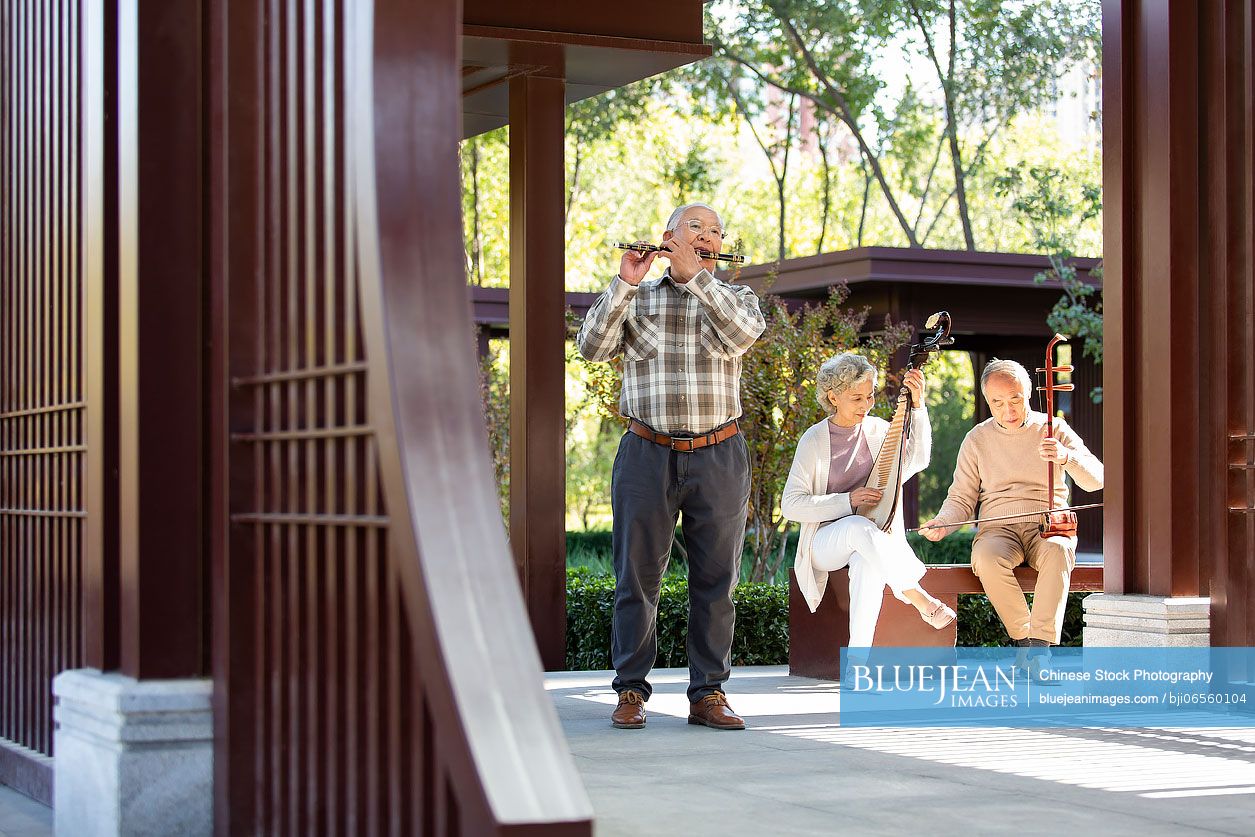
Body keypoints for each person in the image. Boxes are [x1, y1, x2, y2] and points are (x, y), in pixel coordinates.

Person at [576, 202, 766, 731]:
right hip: (646, 452)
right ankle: (631, 691)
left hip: (719, 453)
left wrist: (696, 280)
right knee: (635, 577)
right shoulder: (636, 298)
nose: (708, 236)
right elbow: (591, 348)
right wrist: (623, 284)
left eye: (715, 232)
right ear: (668, 238)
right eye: (696, 228)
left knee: (717, 580)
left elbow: (746, 334)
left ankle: (708, 693)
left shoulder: (736, 299)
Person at [919, 358, 1104, 651]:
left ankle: (1038, 651)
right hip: (998, 529)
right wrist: (943, 523)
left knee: (1059, 550)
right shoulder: (977, 438)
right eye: (998, 402)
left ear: (1028, 392)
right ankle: (1025, 639)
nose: (1009, 410)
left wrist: (1066, 457)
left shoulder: (1054, 428)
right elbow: (961, 498)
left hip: (1048, 526)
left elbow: (1097, 480)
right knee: (986, 558)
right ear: (987, 401)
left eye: (1015, 399)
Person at [781, 353, 956, 657]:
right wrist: (847, 500)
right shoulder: (813, 440)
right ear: (833, 397)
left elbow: (916, 460)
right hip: (823, 545)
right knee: (857, 526)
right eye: (856, 398)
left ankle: (858, 663)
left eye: (871, 395)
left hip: (869, 541)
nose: (866, 404)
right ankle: (918, 598)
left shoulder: (877, 431)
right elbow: (790, 505)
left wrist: (918, 405)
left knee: (868, 566)